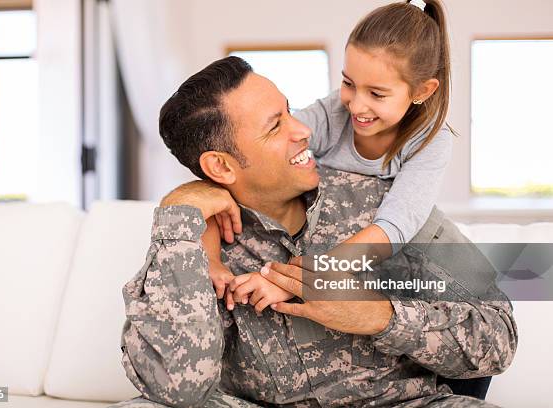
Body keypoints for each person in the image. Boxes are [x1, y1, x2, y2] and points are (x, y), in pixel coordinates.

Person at [110, 56, 516, 408]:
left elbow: (498, 336)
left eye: (289, 110)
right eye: (275, 127)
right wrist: (177, 214)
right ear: (221, 166)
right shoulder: (191, 237)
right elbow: (178, 387)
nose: (302, 129)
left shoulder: (389, 207)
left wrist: (378, 316)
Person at [204, 0, 456, 312]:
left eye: (377, 94)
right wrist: (211, 261)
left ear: (422, 91)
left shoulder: (431, 141)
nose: (355, 105)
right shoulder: (334, 111)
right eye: (348, 83)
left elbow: (393, 229)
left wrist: (291, 282)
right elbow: (256, 159)